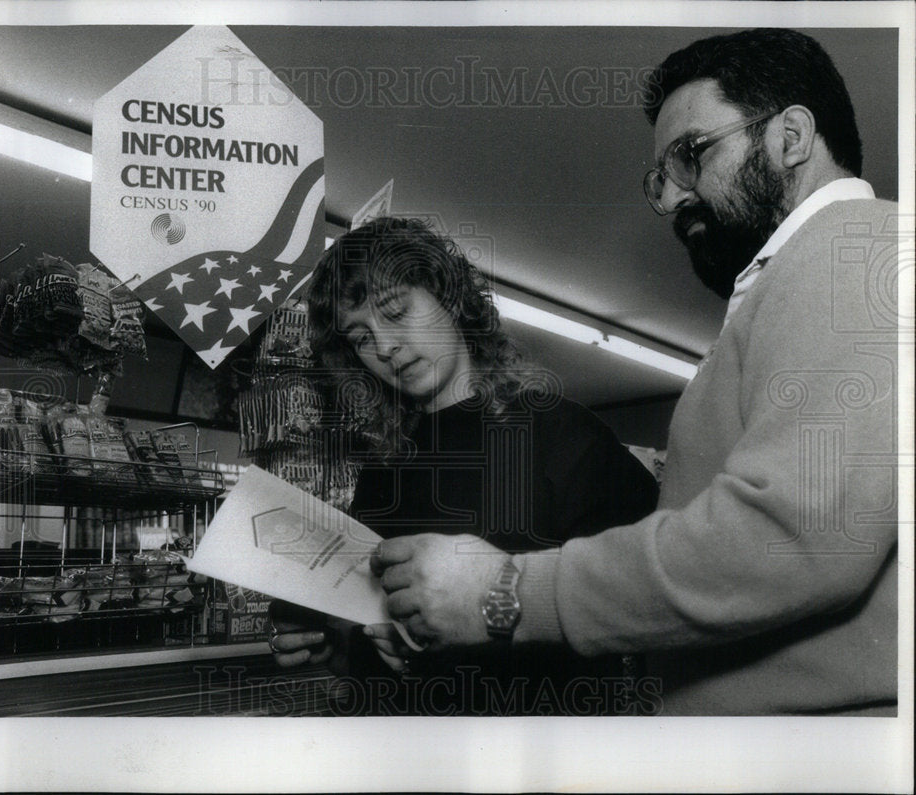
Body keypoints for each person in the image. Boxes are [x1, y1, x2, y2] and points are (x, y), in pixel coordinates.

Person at [370, 28, 900, 716]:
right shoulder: (807, 279)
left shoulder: (857, 251)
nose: (674, 199)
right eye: (661, 178)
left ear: (791, 137)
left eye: (692, 155)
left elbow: (793, 539)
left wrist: (506, 590)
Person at [268, 216, 659, 715]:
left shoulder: (564, 436)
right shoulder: (382, 470)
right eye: (361, 338)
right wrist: (337, 644)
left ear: (449, 295)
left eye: (395, 312)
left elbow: (652, 594)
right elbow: (383, 643)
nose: (385, 348)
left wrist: (496, 614)